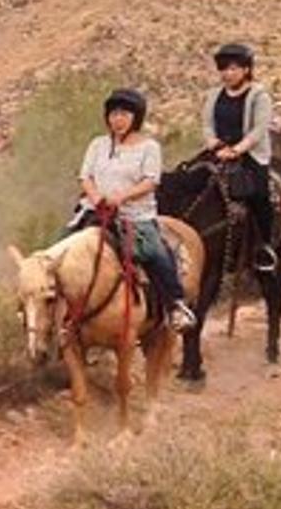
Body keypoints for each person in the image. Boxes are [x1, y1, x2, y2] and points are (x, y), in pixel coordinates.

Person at [72, 89, 195, 331]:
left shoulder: (149, 147)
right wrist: (96, 197)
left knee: (157, 253)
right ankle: (54, 315)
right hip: (94, 211)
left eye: (124, 114)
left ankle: (176, 305)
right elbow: (85, 176)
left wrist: (121, 197)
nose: (117, 119)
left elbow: (150, 181)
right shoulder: (98, 144)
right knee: (59, 249)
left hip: (136, 216)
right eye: (113, 114)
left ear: (135, 117)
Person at [200, 42, 276, 254]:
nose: (228, 73)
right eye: (224, 68)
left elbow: (258, 131)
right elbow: (207, 124)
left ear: (246, 69)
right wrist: (213, 143)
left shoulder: (259, 95)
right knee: (192, 180)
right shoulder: (214, 95)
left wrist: (235, 151)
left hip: (250, 153)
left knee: (259, 196)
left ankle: (265, 246)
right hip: (218, 150)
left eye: (233, 68)